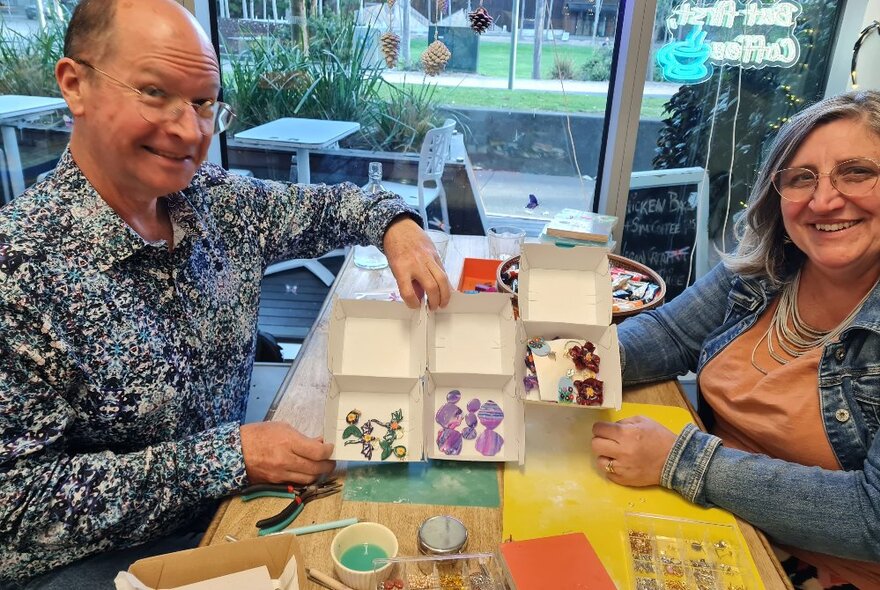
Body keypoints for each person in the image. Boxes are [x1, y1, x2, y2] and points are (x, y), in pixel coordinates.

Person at [0, 0, 452, 587]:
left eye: (204, 102)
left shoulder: (213, 201)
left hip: (232, 507)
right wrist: (229, 457)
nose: (191, 131)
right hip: (95, 562)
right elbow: (17, 508)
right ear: (74, 84)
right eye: (154, 92)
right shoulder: (19, 270)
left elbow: (342, 204)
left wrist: (399, 228)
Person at [592, 89, 880, 589]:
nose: (825, 199)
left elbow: (870, 518)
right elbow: (669, 333)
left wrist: (679, 460)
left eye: (857, 172)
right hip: (708, 522)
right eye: (801, 178)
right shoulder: (763, 270)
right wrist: (564, 366)